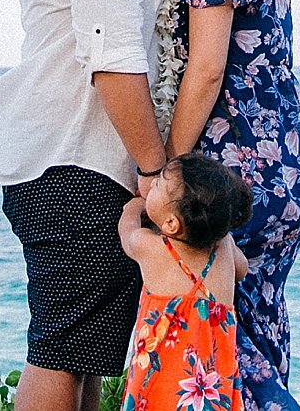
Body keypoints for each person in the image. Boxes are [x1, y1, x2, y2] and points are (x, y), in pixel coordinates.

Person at [0, 0, 184, 411]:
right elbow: (113, 58)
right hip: (71, 164)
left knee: (85, 354)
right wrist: (153, 169)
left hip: (78, 163)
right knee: (62, 348)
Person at [163, 0, 300, 411]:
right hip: (289, 158)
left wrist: (167, 166)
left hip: (241, 159)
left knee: (218, 317)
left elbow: (206, 71)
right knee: (256, 308)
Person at [116, 154, 252, 411]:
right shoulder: (224, 247)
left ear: (171, 223)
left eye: (157, 186)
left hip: (161, 384)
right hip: (211, 388)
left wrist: (132, 208)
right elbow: (242, 270)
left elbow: (127, 235)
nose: (152, 185)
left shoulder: (151, 247)